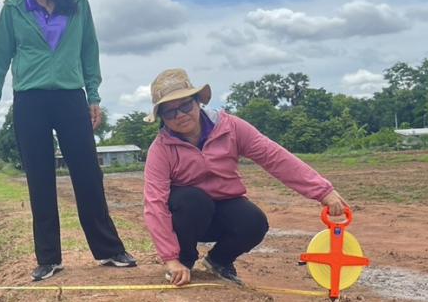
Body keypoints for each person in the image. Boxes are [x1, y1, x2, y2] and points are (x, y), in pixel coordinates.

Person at [0, 0, 136, 282]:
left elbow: (88, 51)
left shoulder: (78, 4)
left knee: (87, 174)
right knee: (40, 178)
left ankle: (109, 249)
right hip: (30, 100)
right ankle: (48, 258)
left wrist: (93, 95)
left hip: (70, 96)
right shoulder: (12, 9)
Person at [142, 68, 348, 287]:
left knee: (253, 221)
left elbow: (274, 157)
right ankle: (184, 262)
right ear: (161, 118)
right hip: (187, 217)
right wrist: (170, 259)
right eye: (170, 112)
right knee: (193, 200)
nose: (180, 115)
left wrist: (323, 191)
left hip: (223, 209)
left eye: (185, 105)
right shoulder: (161, 150)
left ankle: (219, 261)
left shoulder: (231, 127)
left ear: (197, 102)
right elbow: (155, 203)